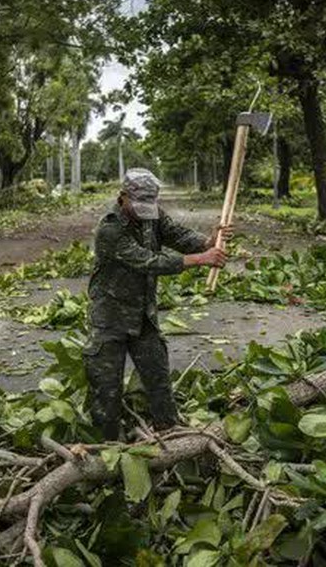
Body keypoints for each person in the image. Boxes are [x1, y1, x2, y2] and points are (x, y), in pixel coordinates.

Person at [85, 168, 231, 440]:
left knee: (159, 382)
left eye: (149, 205)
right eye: (138, 205)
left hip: (143, 317)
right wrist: (201, 259)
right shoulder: (109, 229)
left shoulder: (153, 216)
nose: (144, 211)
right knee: (106, 392)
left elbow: (178, 236)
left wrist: (208, 242)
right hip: (110, 320)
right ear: (123, 198)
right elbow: (147, 261)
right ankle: (105, 449)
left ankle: (171, 436)